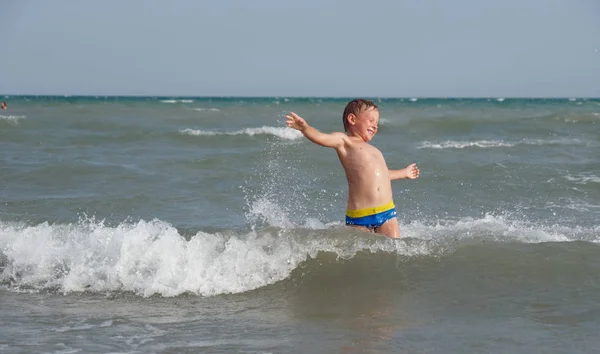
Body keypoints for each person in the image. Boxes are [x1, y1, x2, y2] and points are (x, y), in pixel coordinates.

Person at [286, 99, 419, 238]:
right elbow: (322, 138)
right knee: (361, 254)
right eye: (371, 120)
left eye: (377, 123)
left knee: (394, 250)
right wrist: (305, 128)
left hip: (387, 211)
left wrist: (404, 173)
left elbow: (382, 175)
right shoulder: (344, 141)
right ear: (352, 119)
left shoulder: (374, 150)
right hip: (360, 216)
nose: (375, 126)